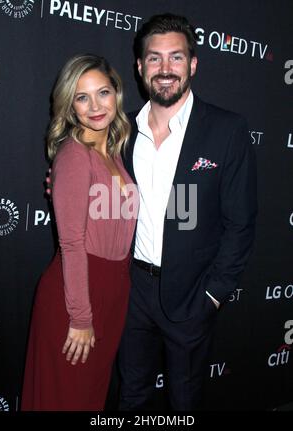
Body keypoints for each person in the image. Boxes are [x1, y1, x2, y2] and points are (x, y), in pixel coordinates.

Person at [118, 13, 257, 410]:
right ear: (140, 67)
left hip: (193, 293)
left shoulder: (225, 130)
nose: (165, 69)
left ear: (193, 64)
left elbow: (240, 223)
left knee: (185, 399)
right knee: (132, 393)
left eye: (176, 58)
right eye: (155, 58)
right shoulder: (122, 132)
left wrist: (213, 295)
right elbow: (102, 196)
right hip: (131, 290)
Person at [21, 54, 138, 411]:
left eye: (102, 92)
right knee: (66, 398)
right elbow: (71, 244)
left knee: (90, 396)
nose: (95, 106)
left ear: (116, 94)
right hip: (77, 295)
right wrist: (81, 317)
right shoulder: (73, 155)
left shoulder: (116, 154)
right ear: (69, 105)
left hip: (113, 290)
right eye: (81, 97)